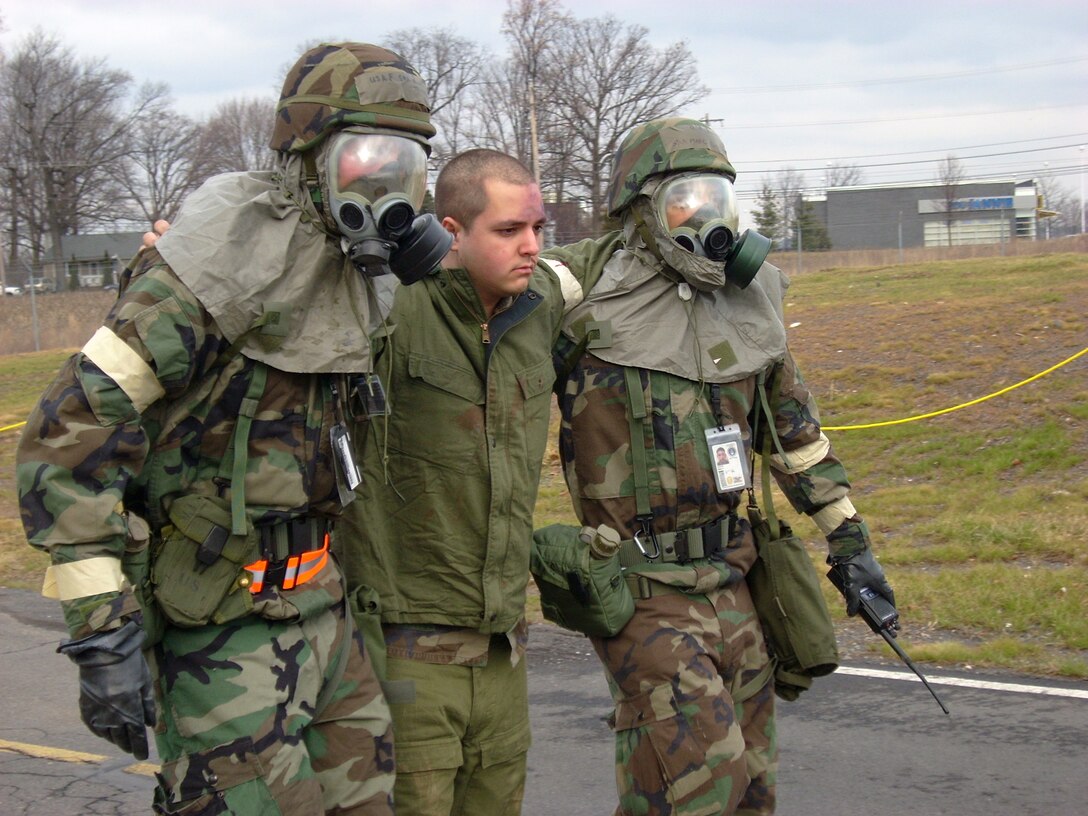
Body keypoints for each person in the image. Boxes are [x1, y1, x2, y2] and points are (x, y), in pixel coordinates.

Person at [15, 42, 451, 815]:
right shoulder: (210, 270)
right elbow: (67, 435)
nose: (385, 188)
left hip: (323, 609)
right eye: (364, 162)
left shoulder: (354, 273)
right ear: (309, 159)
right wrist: (99, 629)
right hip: (219, 621)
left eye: (404, 165)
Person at [541, 117, 897, 815]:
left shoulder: (747, 302)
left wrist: (852, 544)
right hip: (642, 585)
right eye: (685, 201)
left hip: (734, 581)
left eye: (717, 199)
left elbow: (796, 440)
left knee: (752, 788)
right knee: (694, 791)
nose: (705, 218)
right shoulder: (583, 292)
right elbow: (484, 317)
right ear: (642, 211)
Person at [335, 148, 589, 815]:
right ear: (450, 231)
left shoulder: (536, 310)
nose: (530, 245)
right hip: (407, 655)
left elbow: (615, 257)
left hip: (504, 652)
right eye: (509, 231)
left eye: (536, 228)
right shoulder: (391, 314)